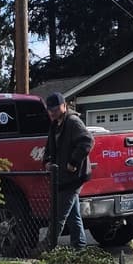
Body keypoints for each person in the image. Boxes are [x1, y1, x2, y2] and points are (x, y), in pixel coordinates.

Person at [41, 92, 93, 251]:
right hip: (62, 176)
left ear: (64, 106)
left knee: (59, 215)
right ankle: (80, 248)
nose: (52, 112)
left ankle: (46, 247)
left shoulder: (73, 121)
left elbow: (87, 141)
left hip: (73, 177)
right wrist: (47, 161)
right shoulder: (55, 124)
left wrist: (73, 162)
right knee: (73, 215)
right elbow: (50, 146)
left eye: (55, 109)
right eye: (50, 110)